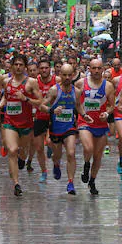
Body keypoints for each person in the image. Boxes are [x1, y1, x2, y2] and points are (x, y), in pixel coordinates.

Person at [0, 54, 43, 197]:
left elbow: (40, 102)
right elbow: (6, 96)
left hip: (26, 123)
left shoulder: (31, 82)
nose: (18, 67)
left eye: (21, 65)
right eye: (15, 64)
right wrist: (0, 105)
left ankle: (23, 158)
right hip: (10, 121)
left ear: (25, 67)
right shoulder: (6, 80)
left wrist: (26, 99)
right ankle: (16, 183)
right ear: (11, 66)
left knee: (22, 151)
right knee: (12, 149)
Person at [39, 63, 82, 196]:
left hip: (70, 127)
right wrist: (52, 110)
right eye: (64, 75)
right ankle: (56, 164)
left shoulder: (77, 91)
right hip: (56, 129)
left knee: (71, 153)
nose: (67, 77)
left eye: (70, 75)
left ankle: (70, 183)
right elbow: (41, 106)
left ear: (73, 75)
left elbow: (79, 107)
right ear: (60, 75)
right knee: (57, 155)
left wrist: (85, 115)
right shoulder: (54, 90)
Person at [76, 58, 116, 197]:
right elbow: (76, 102)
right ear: (89, 69)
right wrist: (82, 113)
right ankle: (86, 165)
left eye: (99, 68)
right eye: (94, 68)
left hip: (100, 124)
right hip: (85, 121)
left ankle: (92, 181)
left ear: (103, 69)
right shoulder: (81, 83)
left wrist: (107, 113)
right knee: (88, 148)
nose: (97, 71)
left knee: (98, 156)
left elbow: (112, 105)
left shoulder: (108, 86)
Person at [31, 59, 56, 183]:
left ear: (50, 68)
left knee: (50, 141)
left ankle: (53, 155)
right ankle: (44, 171)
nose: (44, 70)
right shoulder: (34, 82)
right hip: (39, 116)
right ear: (39, 70)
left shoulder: (57, 81)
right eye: (42, 68)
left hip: (53, 117)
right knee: (39, 148)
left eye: (46, 67)